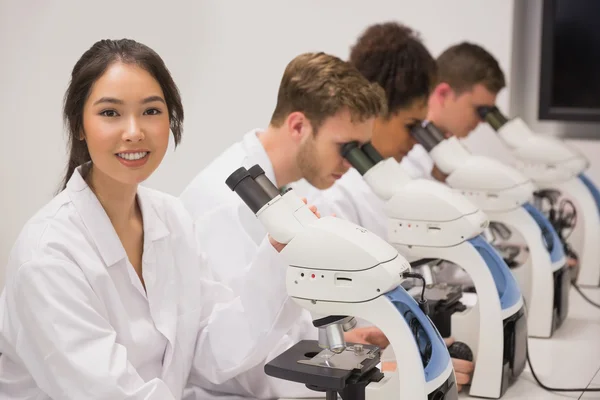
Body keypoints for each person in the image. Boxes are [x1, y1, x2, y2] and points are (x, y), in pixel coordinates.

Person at [0, 39, 307, 400]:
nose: (134, 131)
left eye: (151, 111)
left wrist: (276, 260)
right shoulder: (48, 256)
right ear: (79, 125)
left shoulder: (170, 217)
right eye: (110, 113)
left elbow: (209, 351)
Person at [179, 52, 390, 398]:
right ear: (297, 126)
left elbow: (274, 315)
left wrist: (337, 343)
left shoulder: (285, 185)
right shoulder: (226, 202)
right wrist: (372, 377)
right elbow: (232, 354)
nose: (351, 165)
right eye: (345, 148)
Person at [299, 22, 474, 392]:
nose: (417, 140)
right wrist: (396, 367)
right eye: (412, 125)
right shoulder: (335, 195)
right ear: (376, 109)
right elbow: (328, 332)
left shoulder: (394, 179)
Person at [400, 41, 505, 181]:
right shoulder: (405, 157)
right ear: (443, 94)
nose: (483, 120)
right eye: (479, 110)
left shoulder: (448, 153)